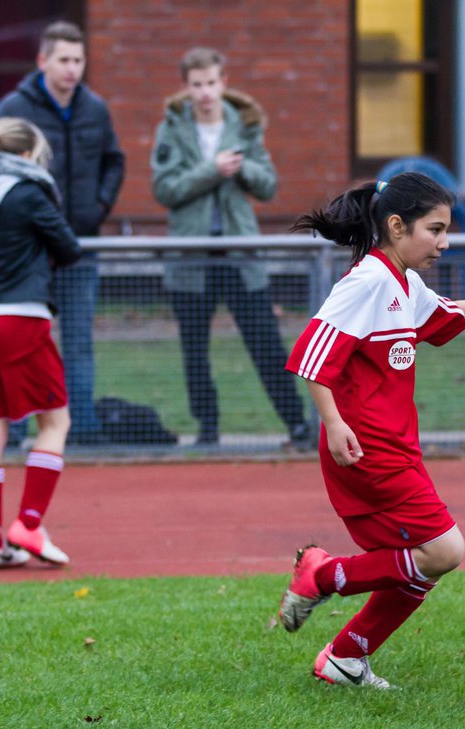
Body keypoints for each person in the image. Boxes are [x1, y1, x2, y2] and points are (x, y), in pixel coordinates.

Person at [277, 173, 465, 689]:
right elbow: (310, 357)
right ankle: (321, 575)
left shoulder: (403, 282)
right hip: (365, 449)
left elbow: (450, 317)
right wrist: (334, 421)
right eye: (435, 229)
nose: (444, 242)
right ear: (396, 226)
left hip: (396, 448)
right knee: (444, 550)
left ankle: (344, 659)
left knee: (418, 564)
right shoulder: (367, 282)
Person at [151, 47, 311, 448]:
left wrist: (241, 168)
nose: (205, 92)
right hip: (192, 256)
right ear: (186, 87)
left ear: (224, 82)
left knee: (265, 342)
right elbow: (163, 189)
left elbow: (269, 185)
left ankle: (297, 425)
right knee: (195, 350)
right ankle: (207, 431)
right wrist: (212, 171)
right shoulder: (171, 128)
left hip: (241, 254)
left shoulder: (245, 125)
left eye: (211, 83)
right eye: (196, 85)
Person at [0, 118, 81, 570]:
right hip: (22, 318)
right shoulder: (27, 192)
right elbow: (68, 246)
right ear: (27, 155)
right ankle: (29, 523)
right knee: (55, 423)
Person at [0, 21, 126, 445]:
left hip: (80, 246)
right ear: (42, 61)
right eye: (63, 60)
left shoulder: (95, 108)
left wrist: (98, 207)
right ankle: (14, 431)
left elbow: (113, 161)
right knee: (21, 341)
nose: (72, 69)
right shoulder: (15, 107)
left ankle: (82, 427)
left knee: (79, 341)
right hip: (28, 251)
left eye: (78, 60)